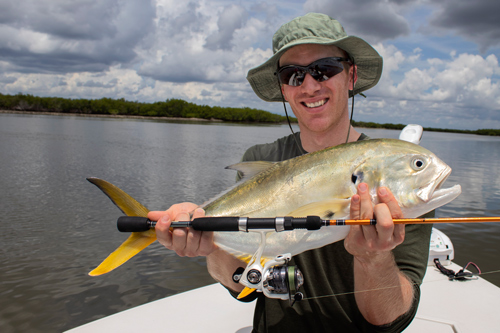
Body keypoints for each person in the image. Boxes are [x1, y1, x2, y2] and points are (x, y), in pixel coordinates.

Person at [147, 13, 432, 332]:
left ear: (350, 76)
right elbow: (242, 287)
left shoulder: (397, 177)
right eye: (293, 75)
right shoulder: (262, 159)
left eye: (325, 69)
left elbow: (390, 318)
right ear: (283, 89)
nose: (310, 85)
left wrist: (374, 259)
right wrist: (209, 244)